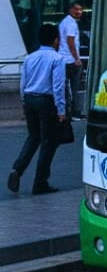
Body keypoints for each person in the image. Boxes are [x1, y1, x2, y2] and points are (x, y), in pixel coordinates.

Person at [7, 24, 68, 195]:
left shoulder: (29, 58)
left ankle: (17, 169)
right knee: (48, 142)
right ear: (55, 40)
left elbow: (23, 83)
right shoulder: (57, 59)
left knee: (33, 137)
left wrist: (24, 101)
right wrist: (61, 110)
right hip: (46, 101)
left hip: (30, 99)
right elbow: (58, 87)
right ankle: (40, 181)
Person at [58, 0, 84, 117]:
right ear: (70, 10)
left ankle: (67, 111)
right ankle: (74, 112)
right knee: (75, 87)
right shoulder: (71, 23)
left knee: (64, 87)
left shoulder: (64, 22)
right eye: (76, 9)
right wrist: (76, 58)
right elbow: (70, 41)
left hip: (64, 59)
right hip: (70, 60)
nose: (79, 12)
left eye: (80, 9)